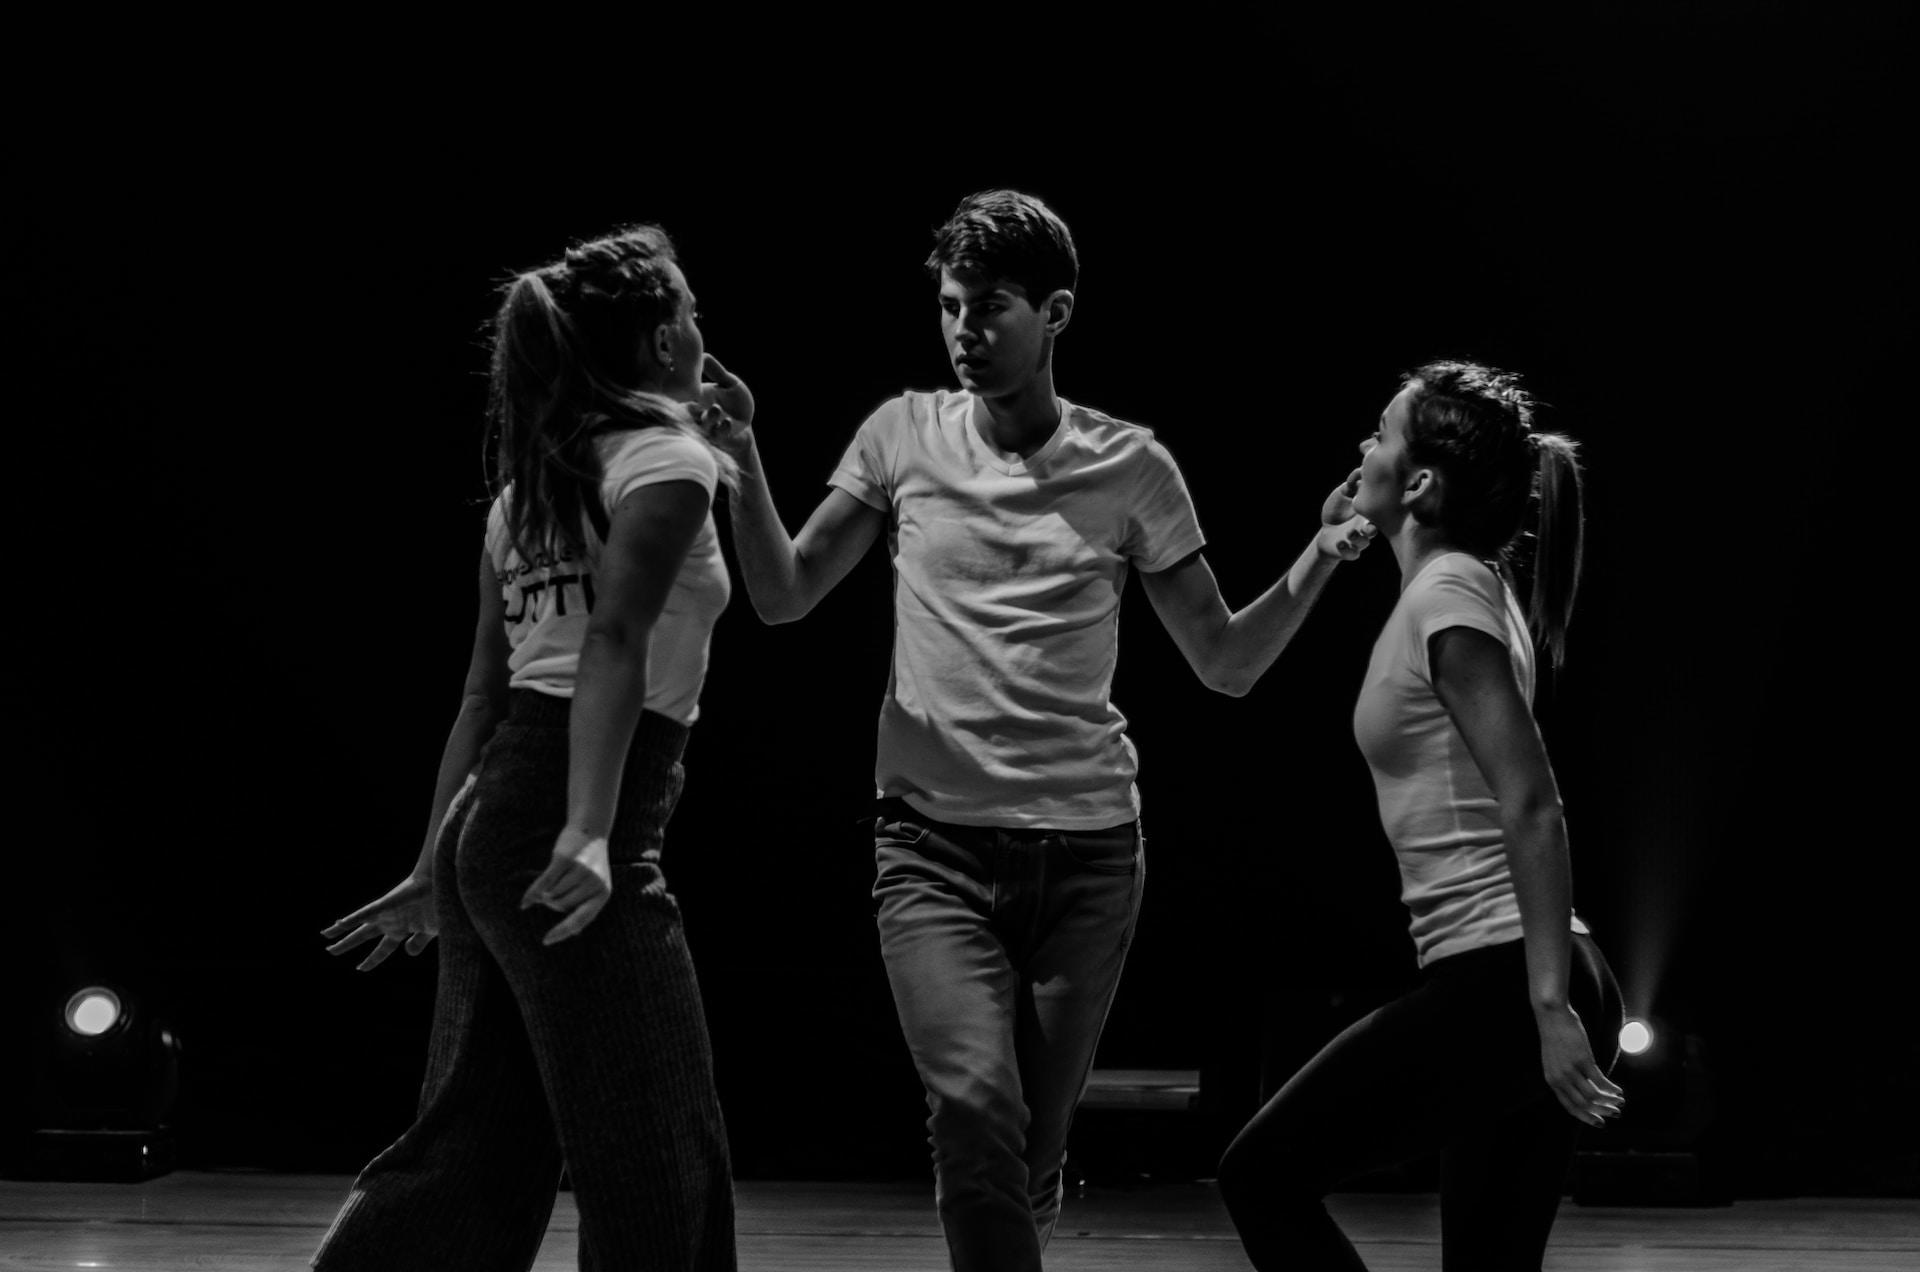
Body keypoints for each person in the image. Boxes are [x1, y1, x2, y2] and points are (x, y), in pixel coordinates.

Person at [706, 189, 1375, 1272]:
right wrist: (739, 451)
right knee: (973, 1115)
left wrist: (1324, 552)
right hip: (930, 850)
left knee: (1029, 1153)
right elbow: (782, 595)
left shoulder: (1133, 468)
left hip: (1089, 858)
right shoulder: (900, 435)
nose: (965, 332)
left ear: (1055, 313)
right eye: (951, 307)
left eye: (991, 309)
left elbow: (1227, 663)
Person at [313, 224, 740, 1271]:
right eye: (687, 313)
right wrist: (592, 831)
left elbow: (481, 699)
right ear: (653, 343)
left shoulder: (526, 497)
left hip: (497, 818)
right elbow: (615, 638)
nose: (701, 332)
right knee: (657, 1141)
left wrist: (434, 867)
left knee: (479, 1142)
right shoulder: (669, 461)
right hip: (577, 814)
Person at [1216, 361, 1627, 1270]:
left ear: (1423, 483)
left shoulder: (1447, 596)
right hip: (1522, 974)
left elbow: (1534, 802)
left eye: (1380, 434)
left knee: (1262, 1176)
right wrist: (1331, 541)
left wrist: (1547, 1006)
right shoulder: (1462, 588)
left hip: (1509, 980)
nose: (1361, 447)